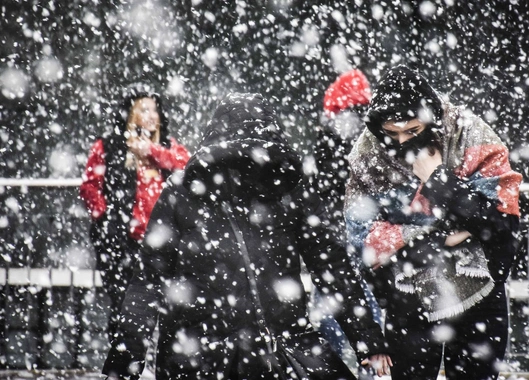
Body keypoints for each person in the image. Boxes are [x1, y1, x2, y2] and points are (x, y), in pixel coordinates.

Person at [102, 92, 392, 380]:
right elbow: (332, 267)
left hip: (202, 356)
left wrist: (123, 362)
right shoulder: (285, 187)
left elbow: (148, 281)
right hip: (273, 352)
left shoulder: (184, 192)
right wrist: (367, 340)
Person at [344, 65, 522, 380]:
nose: (402, 142)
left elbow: (501, 222)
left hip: (480, 291)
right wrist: (445, 236)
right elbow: (363, 241)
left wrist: (437, 179)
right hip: (409, 296)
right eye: (392, 133)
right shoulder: (368, 153)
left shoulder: (470, 133)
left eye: (412, 131)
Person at [79, 85, 190, 340]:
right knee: (124, 305)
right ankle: (126, 363)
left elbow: (187, 167)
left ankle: (153, 360)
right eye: (144, 109)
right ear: (129, 114)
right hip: (120, 242)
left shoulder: (168, 147)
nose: (152, 115)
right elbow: (89, 187)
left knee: (164, 305)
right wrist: (105, 217)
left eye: (155, 110)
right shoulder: (108, 146)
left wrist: (153, 152)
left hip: (163, 241)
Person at [310, 69, 379, 377]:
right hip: (363, 231)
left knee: (327, 309)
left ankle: (332, 368)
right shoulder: (371, 132)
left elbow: (319, 188)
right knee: (366, 301)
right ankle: (370, 364)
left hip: (332, 234)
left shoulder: (329, 134)